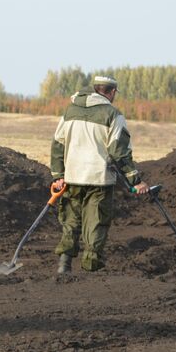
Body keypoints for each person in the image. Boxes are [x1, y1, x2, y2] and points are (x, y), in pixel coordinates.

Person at [50, 76, 150, 274]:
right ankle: (91, 269)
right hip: (99, 179)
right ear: (111, 92)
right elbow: (119, 151)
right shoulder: (113, 114)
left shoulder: (69, 112)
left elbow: (57, 145)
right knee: (95, 223)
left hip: (71, 177)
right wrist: (135, 181)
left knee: (71, 221)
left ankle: (64, 265)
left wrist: (58, 175)